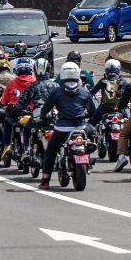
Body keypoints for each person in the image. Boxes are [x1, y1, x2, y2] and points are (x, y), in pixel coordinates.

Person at [37, 62, 98, 190]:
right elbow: (93, 112)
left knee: (51, 151)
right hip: (81, 128)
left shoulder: (57, 91)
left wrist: (42, 117)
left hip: (62, 129)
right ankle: (90, 149)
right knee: (92, 133)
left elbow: (45, 109)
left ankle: (45, 180)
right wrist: (86, 114)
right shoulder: (84, 91)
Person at [0, 57, 38, 154]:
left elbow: (4, 100)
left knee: (7, 121)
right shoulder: (35, 82)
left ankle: (6, 145)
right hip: (32, 113)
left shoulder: (12, 83)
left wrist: (2, 102)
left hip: (16, 113)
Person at [88, 59, 126, 124]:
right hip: (118, 109)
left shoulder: (102, 81)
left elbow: (91, 94)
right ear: (118, 69)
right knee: (127, 120)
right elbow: (130, 94)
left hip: (103, 109)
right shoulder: (123, 81)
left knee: (91, 123)